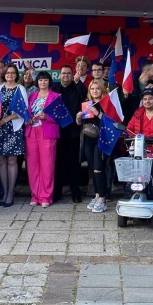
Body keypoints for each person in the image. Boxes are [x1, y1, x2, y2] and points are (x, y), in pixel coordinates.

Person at [77, 79, 115, 214]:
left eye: (97, 88)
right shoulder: (87, 104)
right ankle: (97, 196)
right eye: (92, 89)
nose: (94, 91)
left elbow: (112, 121)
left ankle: (103, 200)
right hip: (89, 139)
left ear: (102, 90)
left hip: (101, 139)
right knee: (93, 169)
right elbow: (81, 124)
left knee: (99, 169)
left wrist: (97, 112)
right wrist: (78, 118)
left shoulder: (106, 103)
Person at [0, 64, 25, 207]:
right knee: (2, 161)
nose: (10, 75)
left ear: (16, 75)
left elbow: (23, 111)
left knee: (12, 160)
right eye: (7, 73)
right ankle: (4, 193)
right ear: (4, 75)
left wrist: (6, 119)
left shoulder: (20, 88)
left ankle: (11, 193)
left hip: (14, 128)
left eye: (13, 73)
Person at [26, 71, 60, 207]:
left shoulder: (56, 96)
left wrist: (47, 117)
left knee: (47, 166)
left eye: (45, 80)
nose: (43, 82)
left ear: (49, 81)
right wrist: (27, 120)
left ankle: (46, 196)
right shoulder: (32, 96)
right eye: (40, 80)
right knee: (32, 166)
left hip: (47, 132)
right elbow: (26, 113)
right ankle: (35, 195)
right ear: (37, 82)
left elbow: (60, 115)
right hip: (31, 132)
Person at [53, 64, 86, 203]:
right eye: (63, 73)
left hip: (73, 132)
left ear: (72, 75)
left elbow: (85, 97)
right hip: (57, 132)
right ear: (59, 75)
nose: (66, 75)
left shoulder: (77, 87)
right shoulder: (54, 89)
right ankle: (56, 193)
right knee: (58, 163)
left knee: (74, 164)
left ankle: (75, 193)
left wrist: (78, 83)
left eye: (68, 73)